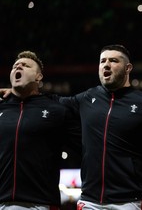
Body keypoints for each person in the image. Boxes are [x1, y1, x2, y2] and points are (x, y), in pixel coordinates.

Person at [57, 44, 142, 210]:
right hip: (90, 200)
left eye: (113, 60)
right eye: (102, 61)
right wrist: (18, 94)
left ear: (128, 68)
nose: (106, 65)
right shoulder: (88, 98)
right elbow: (51, 105)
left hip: (129, 201)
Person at [0, 51, 81, 210]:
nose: (19, 67)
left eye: (25, 65)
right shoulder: (1, 107)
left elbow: (86, 147)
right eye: (16, 66)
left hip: (40, 203)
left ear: (38, 77)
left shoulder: (57, 110)